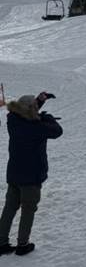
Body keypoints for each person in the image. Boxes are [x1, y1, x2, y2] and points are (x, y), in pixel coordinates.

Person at [0, 92, 62, 256]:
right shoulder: (36, 128)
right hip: (31, 177)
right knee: (28, 209)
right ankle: (22, 244)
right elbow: (57, 131)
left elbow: (26, 113)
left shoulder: (13, 120)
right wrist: (47, 118)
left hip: (14, 174)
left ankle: (1, 242)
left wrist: (40, 101)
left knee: (9, 208)